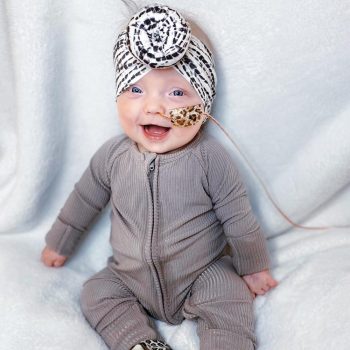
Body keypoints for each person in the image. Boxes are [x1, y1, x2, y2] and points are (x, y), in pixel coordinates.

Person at [41, 4, 277, 350]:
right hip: (129, 276)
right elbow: (84, 200)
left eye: (177, 93)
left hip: (201, 273)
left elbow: (239, 219)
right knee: (96, 292)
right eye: (136, 90)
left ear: (204, 104)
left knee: (229, 298)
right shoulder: (113, 156)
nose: (154, 107)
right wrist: (59, 241)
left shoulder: (210, 159)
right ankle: (140, 343)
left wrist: (253, 266)